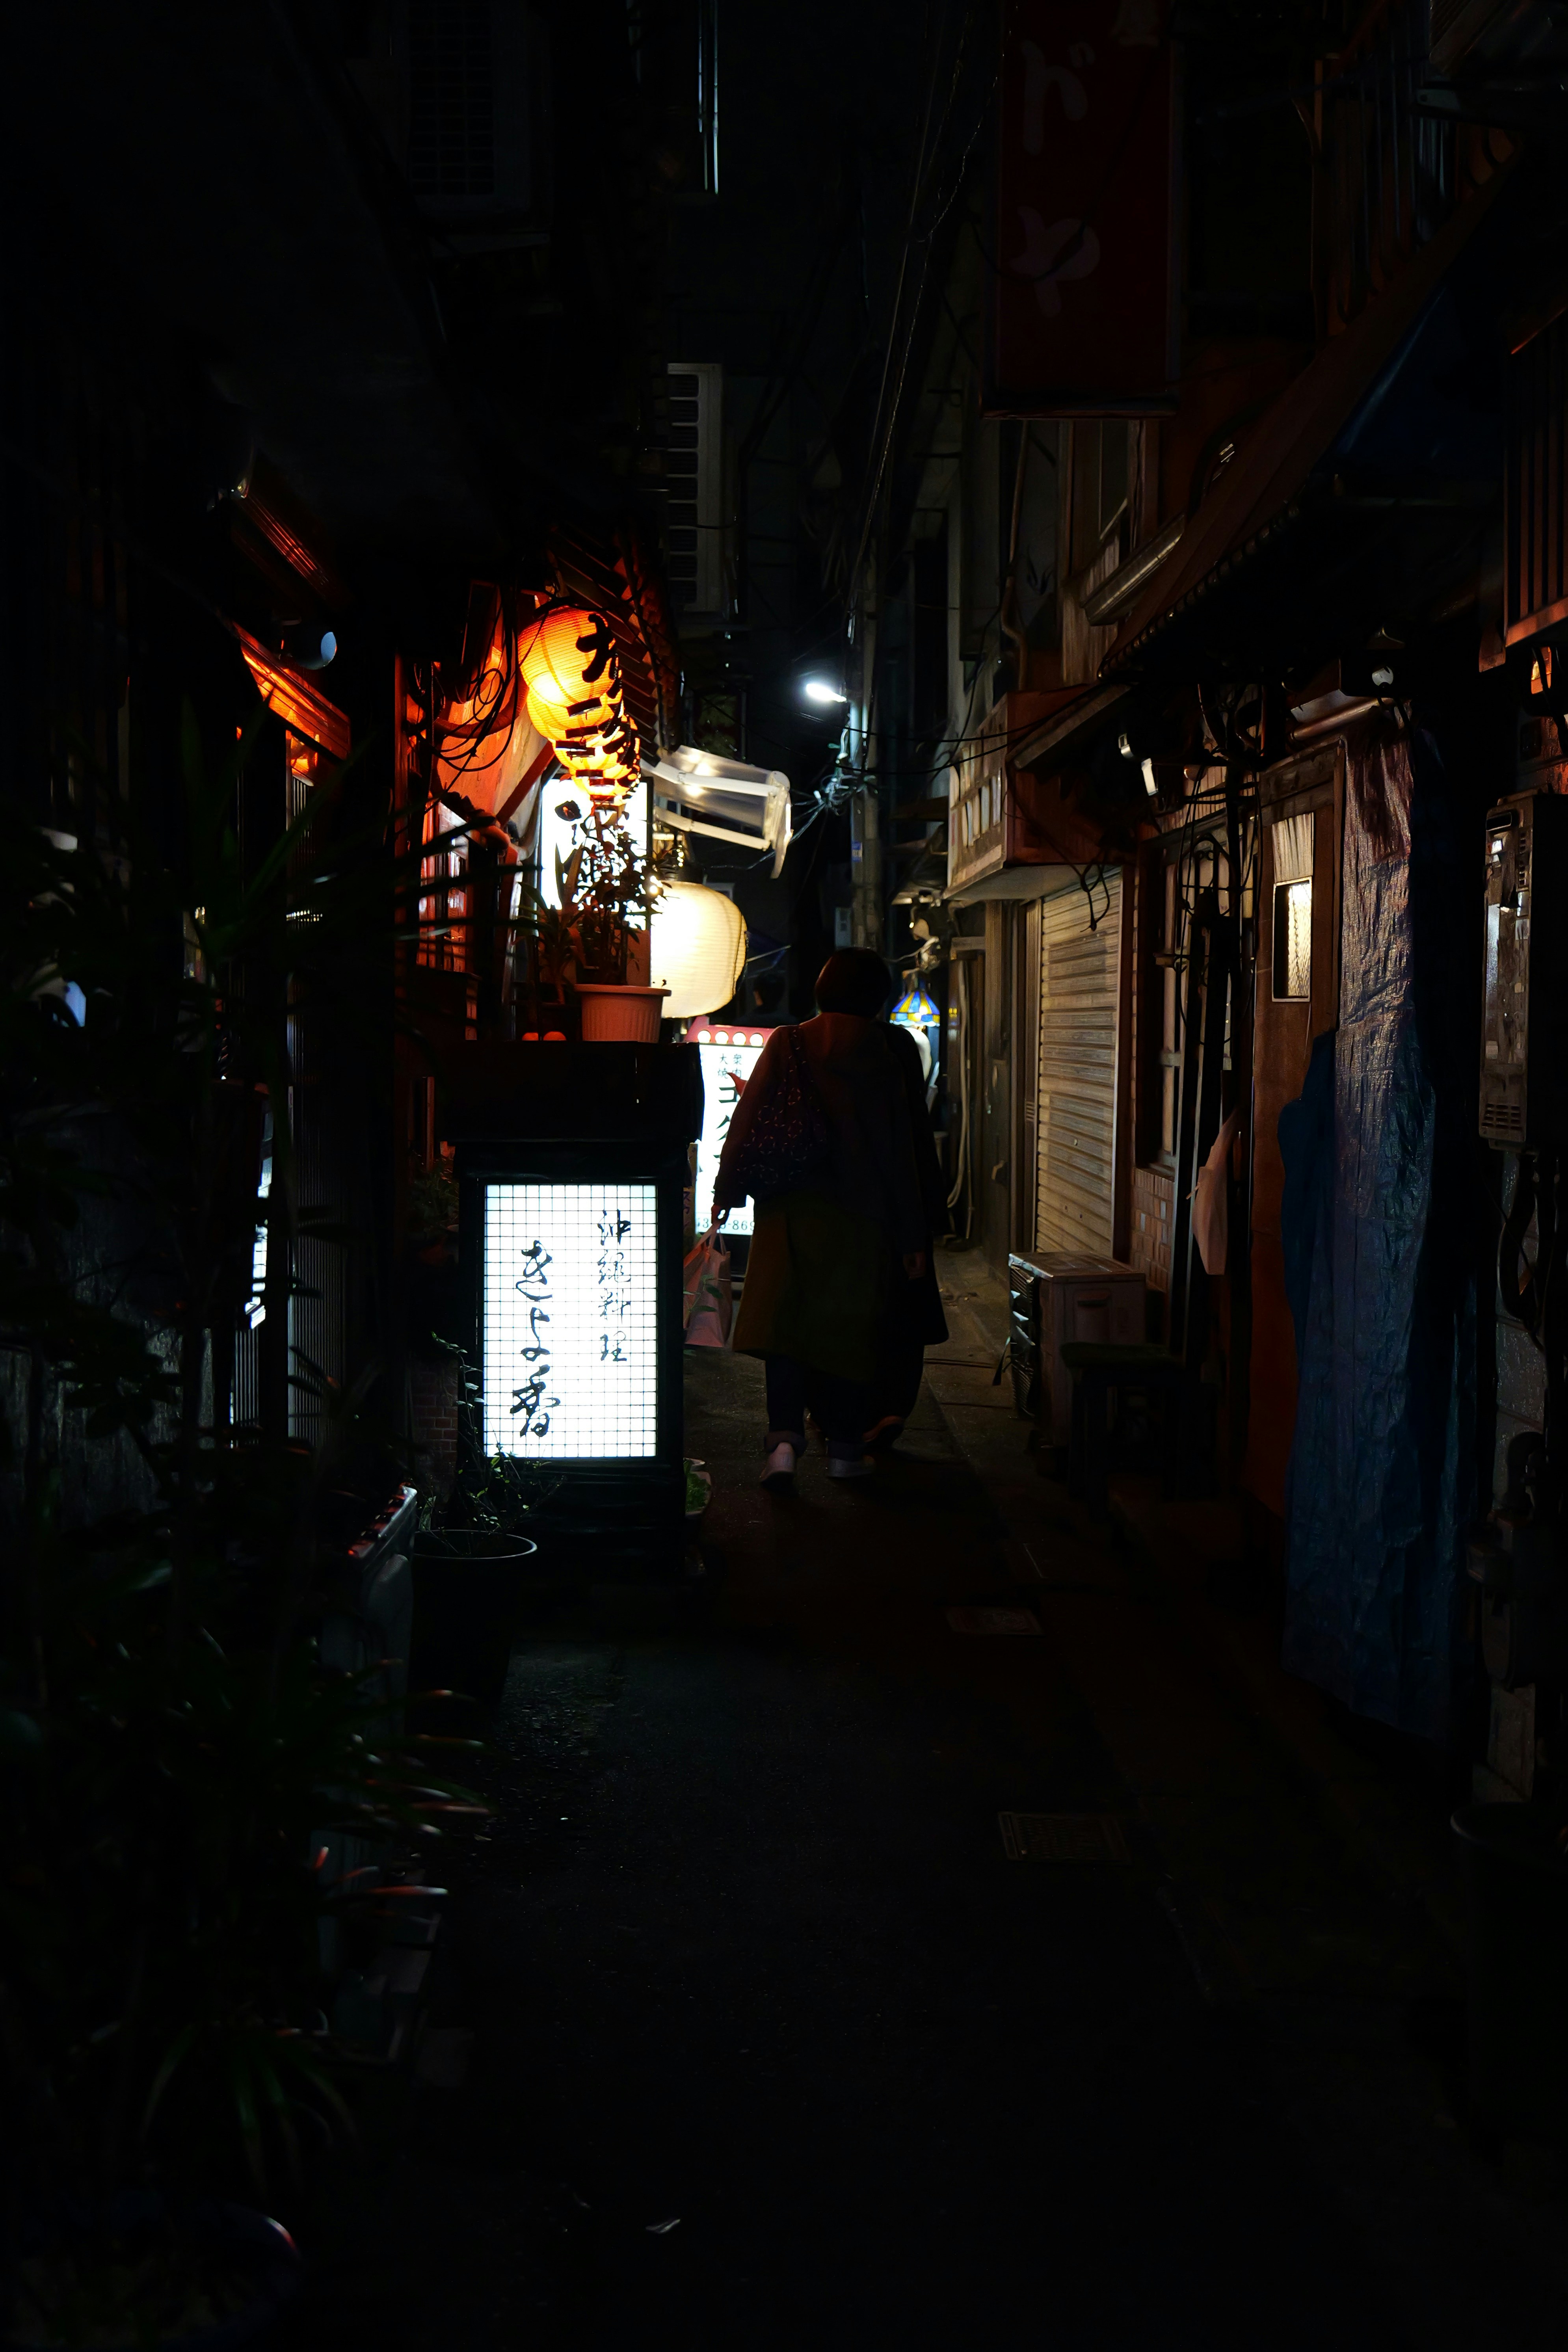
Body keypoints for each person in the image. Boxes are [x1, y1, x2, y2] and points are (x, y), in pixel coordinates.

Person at [712, 948, 948, 1489]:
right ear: (877, 998)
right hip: (864, 1217)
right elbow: (901, 1148)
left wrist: (727, 1190)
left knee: (786, 1328)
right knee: (849, 1333)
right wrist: (913, 1234)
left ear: (822, 989)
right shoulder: (888, 1050)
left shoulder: (789, 1041)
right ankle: (844, 1450)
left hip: (789, 1211)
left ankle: (782, 1447)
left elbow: (746, 1120)